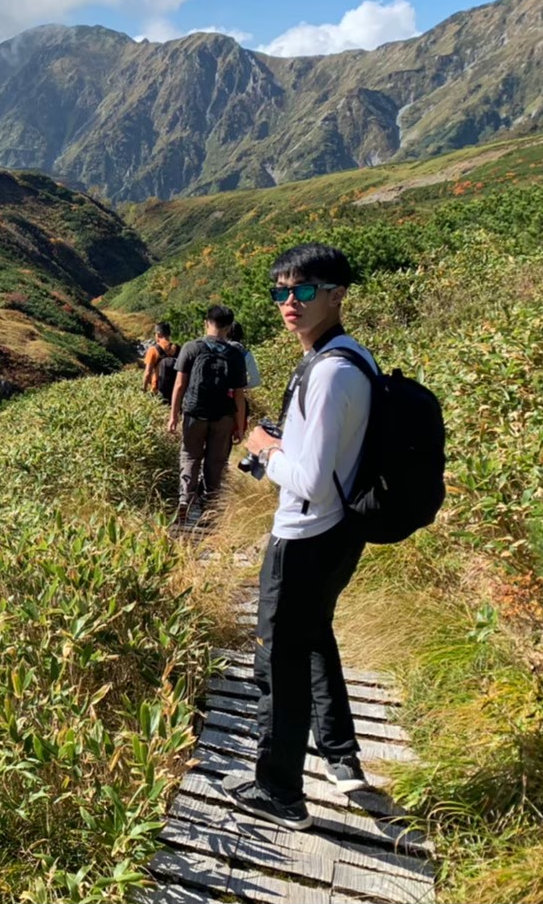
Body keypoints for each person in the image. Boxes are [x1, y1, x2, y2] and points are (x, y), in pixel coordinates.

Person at [223, 243, 376, 830]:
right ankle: (339, 753)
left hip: (306, 533)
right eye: (281, 291)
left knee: (279, 662)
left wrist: (265, 452)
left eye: (304, 290)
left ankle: (279, 791)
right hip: (337, 532)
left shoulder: (329, 372)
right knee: (311, 638)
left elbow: (309, 481)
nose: (291, 301)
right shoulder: (346, 355)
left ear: (337, 294)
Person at [167, 305, 248, 527]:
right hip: (223, 416)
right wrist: (240, 426)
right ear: (229, 327)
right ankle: (210, 507)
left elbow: (179, 385)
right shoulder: (235, 354)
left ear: (206, 323)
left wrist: (173, 415)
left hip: (194, 413)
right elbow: (239, 395)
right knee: (216, 461)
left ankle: (185, 500)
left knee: (190, 456)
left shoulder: (191, 348)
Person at [141, 321, 180, 404]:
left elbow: (147, 373)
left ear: (158, 334)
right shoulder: (177, 348)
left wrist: (144, 389)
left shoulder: (153, 350)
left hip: (158, 391)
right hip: (176, 391)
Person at [229, 321, 262, 390]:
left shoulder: (217, 351)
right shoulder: (246, 354)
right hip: (237, 394)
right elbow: (256, 381)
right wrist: (241, 387)